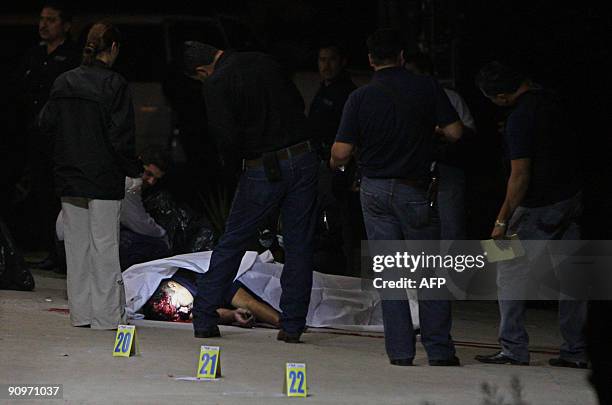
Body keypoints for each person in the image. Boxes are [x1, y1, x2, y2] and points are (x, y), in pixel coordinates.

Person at [330, 29, 463, 366]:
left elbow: (342, 152)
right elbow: (455, 132)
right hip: (414, 188)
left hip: (373, 190)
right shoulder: (426, 88)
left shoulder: (360, 97)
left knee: (391, 274)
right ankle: (439, 349)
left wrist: (335, 162)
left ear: (372, 60)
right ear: (402, 56)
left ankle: (400, 351)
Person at [182, 41, 318, 342]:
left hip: (263, 166)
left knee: (233, 240)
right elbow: (297, 102)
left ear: (202, 71)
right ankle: (293, 324)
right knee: (298, 244)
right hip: (304, 156)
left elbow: (225, 138)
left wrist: (237, 168)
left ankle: (204, 316)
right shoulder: (263, 58)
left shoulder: (217, 82)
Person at [473, 61, 586, 368]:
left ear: (501, 97)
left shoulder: (519, 118)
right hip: (573, 199)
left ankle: (512, 347)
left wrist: (501, 219)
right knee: (574, 279)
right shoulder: (556, 102)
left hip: (538, 204)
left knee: (506, 271)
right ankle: (576, 350)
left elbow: (520, 175)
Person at [39, 22, 141, 329]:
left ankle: (81, 314)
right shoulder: (115, 84)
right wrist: (133, 170)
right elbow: (121, 138)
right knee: (105, 246)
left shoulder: (63, 82)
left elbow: (45, 125)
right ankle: (108, 317)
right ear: (112, 49)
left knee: (76, 247)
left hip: (69, 176)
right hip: (103, 178)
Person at [18, 2, 80, 269]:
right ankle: (50, 251)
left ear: (65, 25)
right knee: (41, 193)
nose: (44, 24)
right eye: (42, 19)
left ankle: (65, 254)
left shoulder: (73, 55)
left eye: (51, 19)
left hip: (62, 139)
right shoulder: (33, 54)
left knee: (62, 196)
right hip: (36, 138)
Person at [55, 148, 172, 270]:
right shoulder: (130, 182)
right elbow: (138, 222)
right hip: (78, 248)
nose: (151, 182)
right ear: (139, 164)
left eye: (156, 179)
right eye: (148, 174)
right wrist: (163, 234)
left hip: (68, 243)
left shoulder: (108, 169)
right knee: (158, 245)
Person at [404, 52, 476, 240]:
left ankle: (452, 268)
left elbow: (467, 132)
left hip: (447, 167)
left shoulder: (450, 97)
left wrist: (440, 130)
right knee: (420, 228)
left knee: (451, 227)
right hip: (416, 172)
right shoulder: (404, 100)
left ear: (426, 73)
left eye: (411, 73)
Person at [309, 42, 361, 276]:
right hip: (321, 164)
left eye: (331, 59)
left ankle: (348, 273)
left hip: (341, 166)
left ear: (342, 62)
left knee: (344, 221)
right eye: (322, 60)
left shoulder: (348, 93)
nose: (326, 65)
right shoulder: (323, 90)